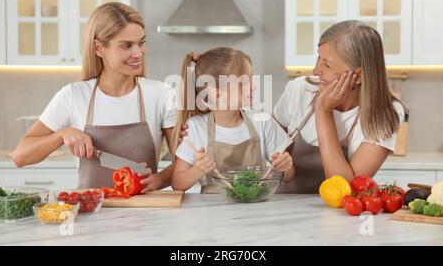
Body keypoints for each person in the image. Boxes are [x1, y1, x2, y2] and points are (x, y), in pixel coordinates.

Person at [12, 2, 177, 192]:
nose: (138, 53)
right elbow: (20, 156)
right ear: (99, 48)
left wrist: (159, 180)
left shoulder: (161, 95)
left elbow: (185, 162)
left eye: (141, 43)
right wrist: (61, 135)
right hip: (90, 215)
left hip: (146, 215)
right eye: (126, 46)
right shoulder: (73, 96)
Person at [273, 20, 407, 193]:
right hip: (282, 208)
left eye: (327, 65)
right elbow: (269, 144)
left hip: (340, 215)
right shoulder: (299, 90)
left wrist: (324, 111)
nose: (316, 70)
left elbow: (347, 188)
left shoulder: (385, 114)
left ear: (358, 76)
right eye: (318, 58)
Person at [171, 47, 294, 193]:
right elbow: (177, 183)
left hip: (257, 210)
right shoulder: (196, 128)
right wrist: (198, 170)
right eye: (245, 82)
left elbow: (289, 176)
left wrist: (286, 167)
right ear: (218, 94)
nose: (254, 86)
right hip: (210, 212)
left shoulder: (263, 122)